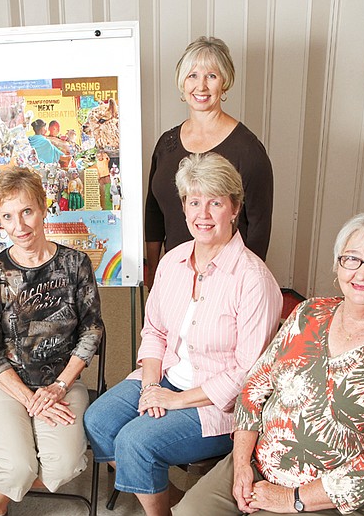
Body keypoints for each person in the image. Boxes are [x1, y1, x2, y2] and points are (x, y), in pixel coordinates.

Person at [173, 211, 364, 516]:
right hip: (259, 466)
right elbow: (253, 389)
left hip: (336, 501)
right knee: (188, 512)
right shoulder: (310, 313)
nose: (361, 274)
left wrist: (292, 499)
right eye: (350, 259)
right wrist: (242, 464)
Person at [85, 153, 282, 516]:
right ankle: (168, 496)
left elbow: (247, 373)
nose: (203, 214)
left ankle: (155, 506)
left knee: (135, 440)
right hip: (165, 377)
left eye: (216, 202)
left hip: (218, 404)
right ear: (184, 205)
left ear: (235, 207)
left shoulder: (253, 280)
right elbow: (155, 331)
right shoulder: (173, 261)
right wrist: (150, 389)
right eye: (194, 201)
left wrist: (175, 401)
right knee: (99, 420)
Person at [0, 167, 105, 516]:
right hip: (2, 385)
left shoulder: (76, 263)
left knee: (63, 469)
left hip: (60, 383)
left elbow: (91, 331)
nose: (19, 225)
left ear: (43, 208)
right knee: (17, 467)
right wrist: (28, 398)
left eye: (26, 211)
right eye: (7, 216)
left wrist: (58, 387)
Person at [145, 36, 273, 286]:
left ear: (225, 82)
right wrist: (154, 271)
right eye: (192, 75)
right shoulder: (166, 144)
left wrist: (245, 285)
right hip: (174, 272)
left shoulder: (248, 150)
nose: (200, 86)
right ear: (181, 82)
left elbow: (259, 227)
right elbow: (154, 212)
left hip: (224, 280)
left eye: (211, 76)